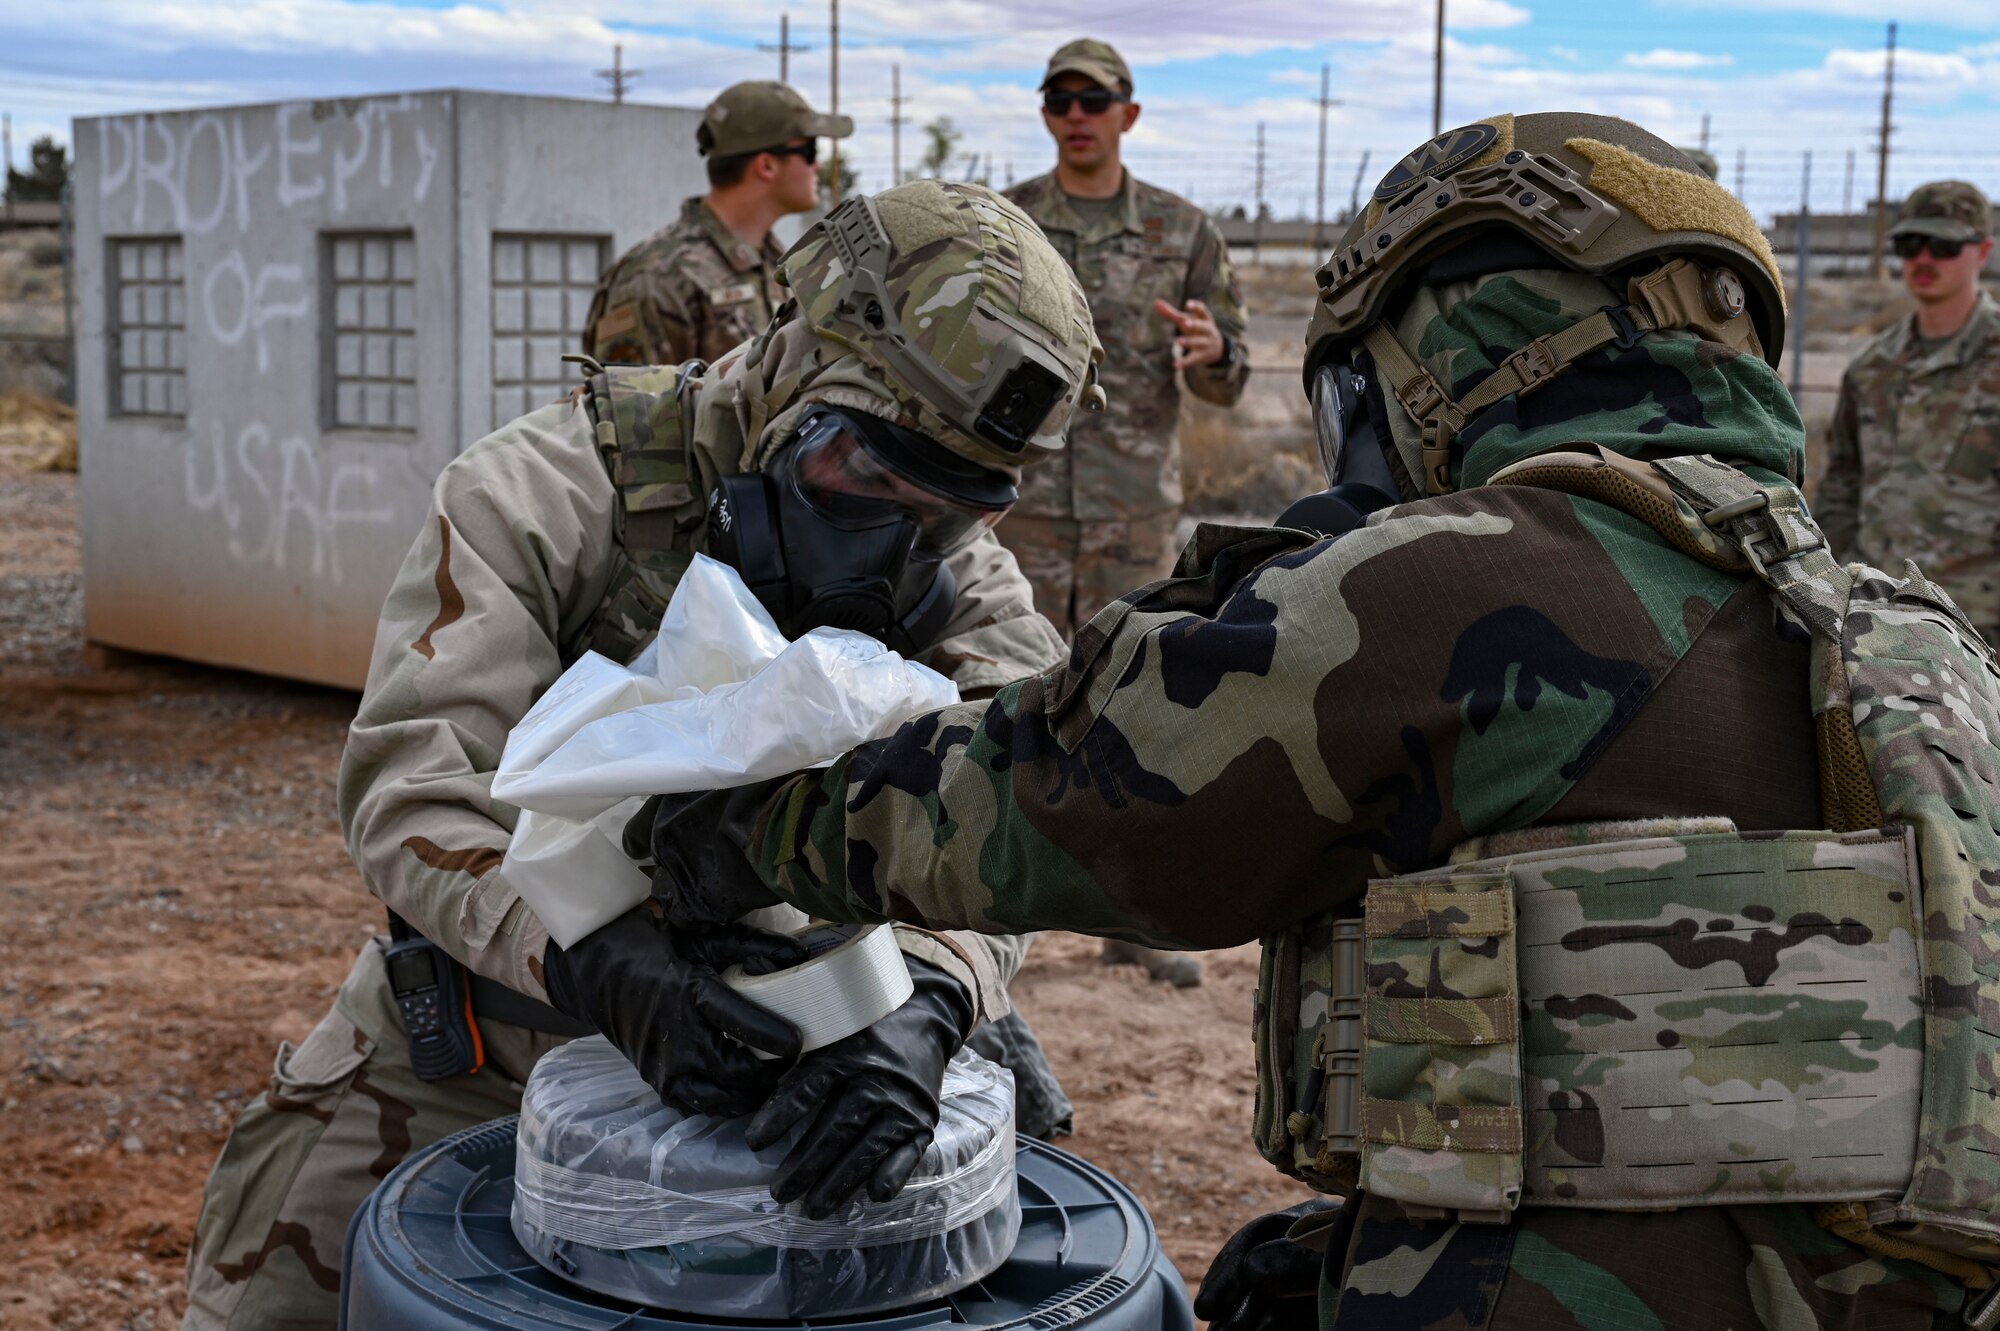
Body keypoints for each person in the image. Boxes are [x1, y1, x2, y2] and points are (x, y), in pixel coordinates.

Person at [638, 116, 1982, 1329]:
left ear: (1452, 358)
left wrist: (756, 826)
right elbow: (1729, 1079)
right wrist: (1386, 1230)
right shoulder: (1927, 650)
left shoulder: (1462, 572)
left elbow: (1072, 790)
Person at [181, 179, 1101, 1331]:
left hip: (796, 1068)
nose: (892, 540)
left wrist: (928, 998)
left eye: (945, 508)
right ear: (792, 364)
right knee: (275, 1303)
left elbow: (1019, 811)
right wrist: (594, 958)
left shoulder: (964, 584)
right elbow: (413, 782)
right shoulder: (548, 490)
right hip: (491, 1030)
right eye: (861, 476)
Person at [1003, 37, 1252, 988]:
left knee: (1133, 713)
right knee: (1009, 705)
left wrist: (1214, 350)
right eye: (1060, 98)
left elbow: (1230, 384)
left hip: (1130, 514)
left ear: (1128, 114)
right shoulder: (1007, 221)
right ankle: (997, 920)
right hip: (1018, 509)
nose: (1076, 113)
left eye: (1094, 99)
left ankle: (1135, 921)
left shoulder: (1185, 233)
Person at [1820, 179, 2000, 641]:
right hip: (1878, 617)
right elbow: (1843, 482)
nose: (1923, 259)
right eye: (1910, 244)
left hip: (1980, 629)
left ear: (1982, 251)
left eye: (1942, 245)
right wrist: (1836, 583)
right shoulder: (1873, 367)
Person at [580, 80, 850, 367]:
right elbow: (629, 408)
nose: (817, 166)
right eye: (809, 151)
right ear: (766, 165)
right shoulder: (655, 279)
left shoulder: (779, 265)